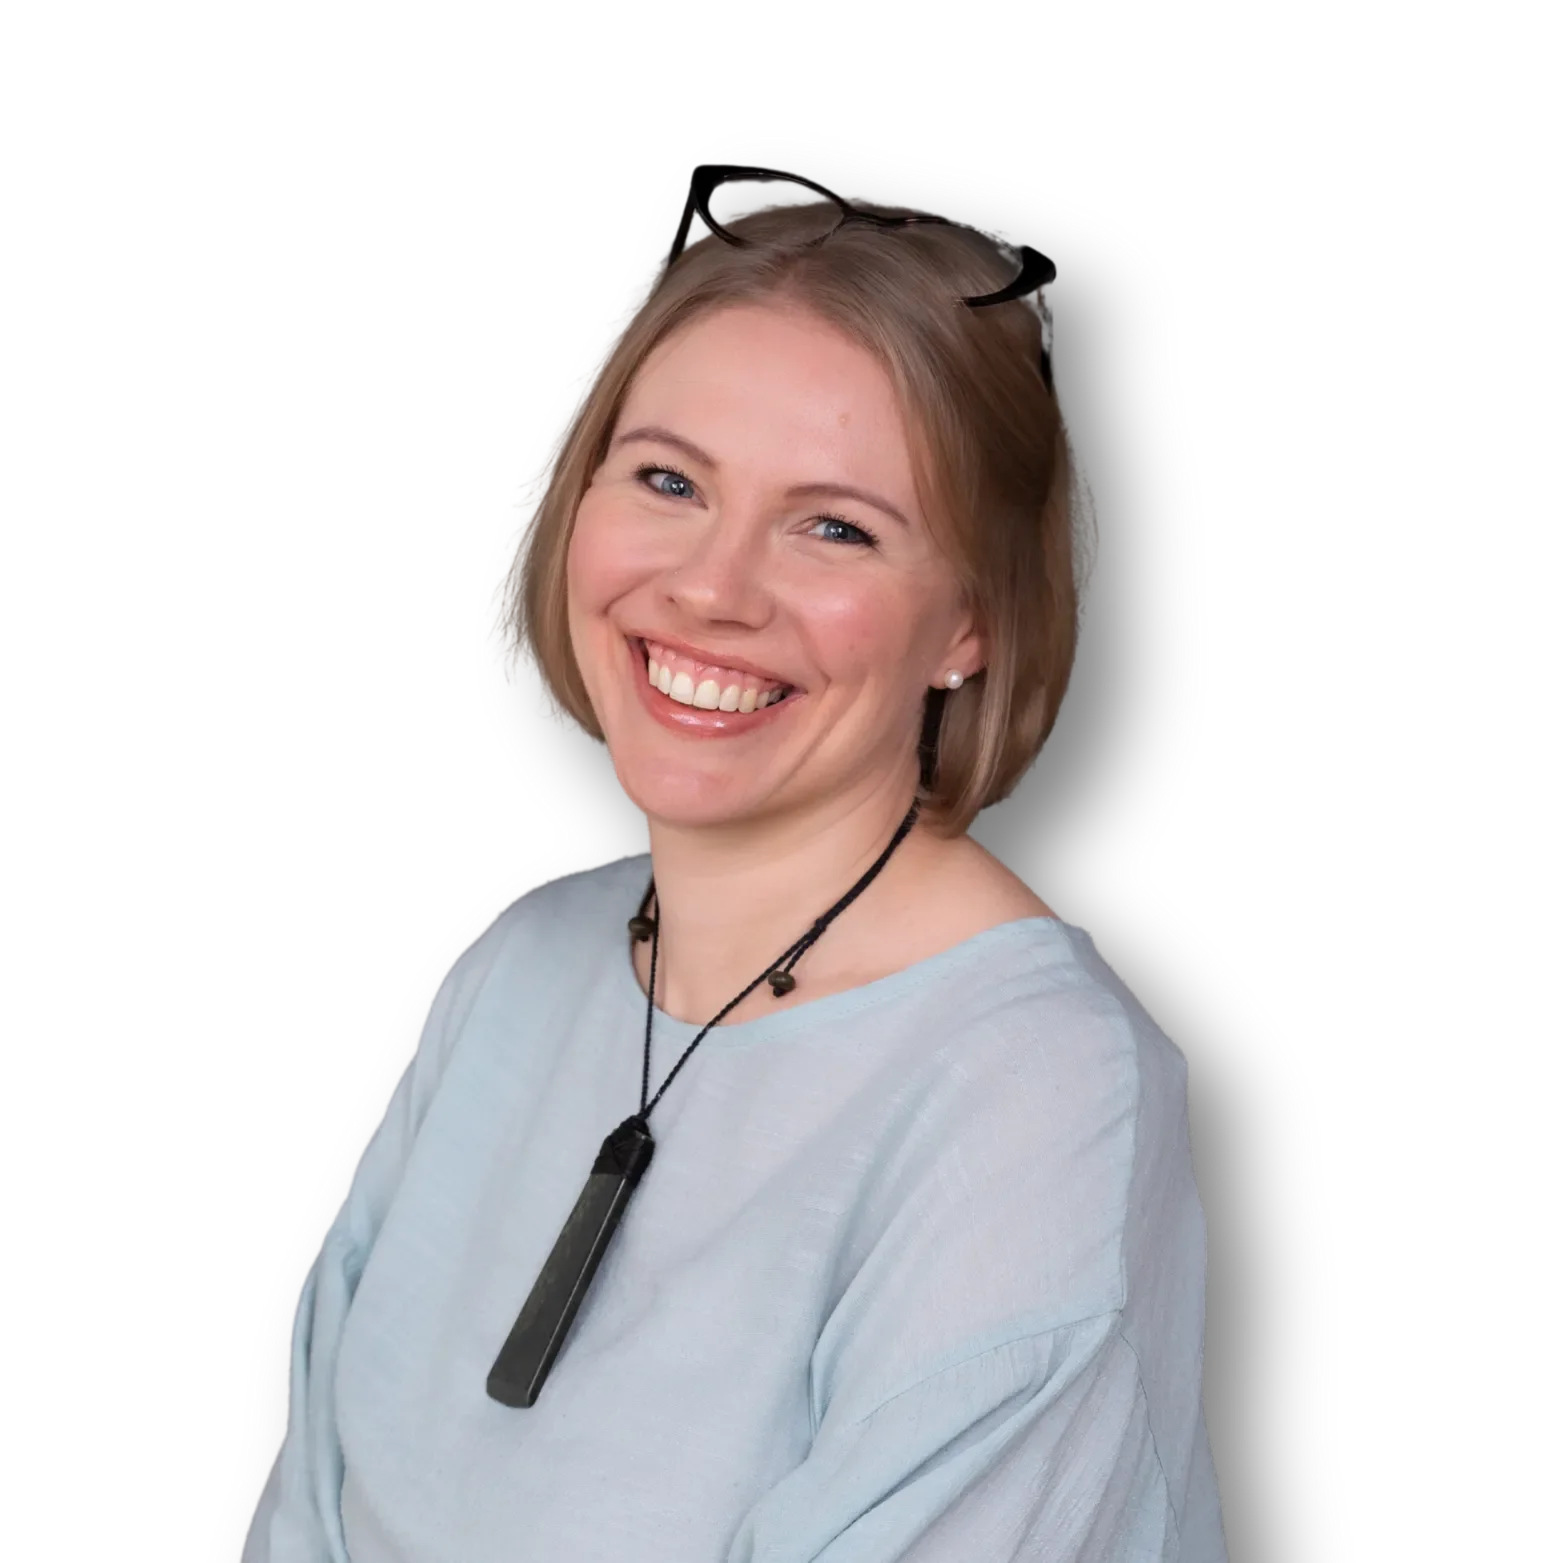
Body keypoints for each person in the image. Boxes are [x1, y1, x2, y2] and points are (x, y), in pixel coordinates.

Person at [241, 165, 1227, 1561]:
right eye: (666, 480)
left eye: (835, 525)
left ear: (972, 619)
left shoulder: (1037, 1100)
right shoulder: (518, 965)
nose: (710, 587)